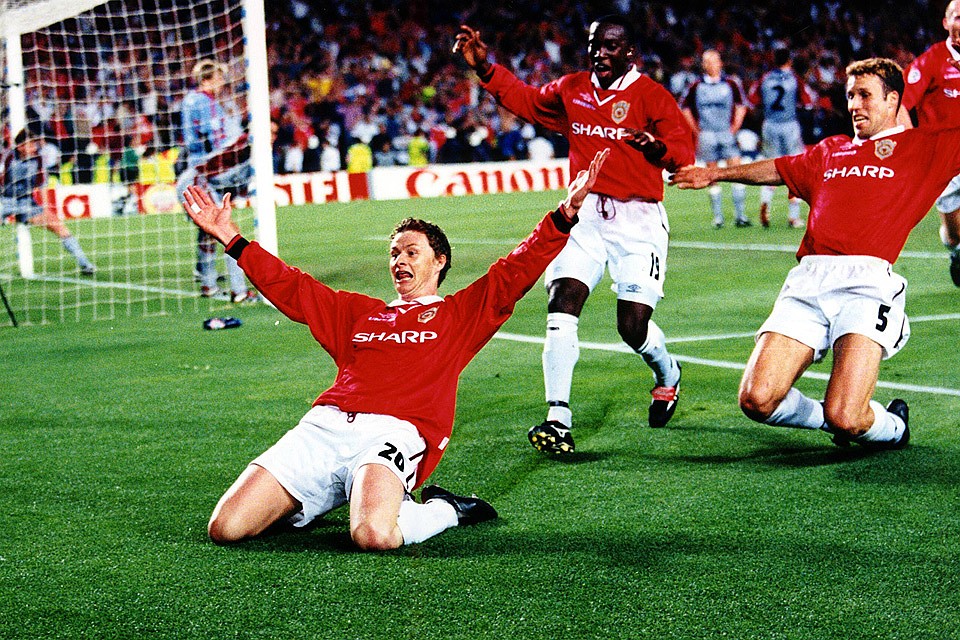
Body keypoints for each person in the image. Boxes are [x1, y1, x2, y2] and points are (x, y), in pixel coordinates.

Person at [184, 148, 609, 550]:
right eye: (394, 253)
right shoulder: (358, 312)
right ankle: (333, 493)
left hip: (392, 434)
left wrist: (564, 214)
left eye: (411, 252)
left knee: (373, 535)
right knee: (226, 528)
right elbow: (293, 287)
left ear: (439, 261)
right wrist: (232, 239)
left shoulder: (458, 315)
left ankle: (446, 510)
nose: (399, 261)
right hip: (324, 428)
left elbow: (515, 270)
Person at [669, 57, 960, 450]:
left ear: (892, 100)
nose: (854, 105)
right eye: (850, 95)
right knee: (757, 399)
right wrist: (714, 174)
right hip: (809, 280)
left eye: (864, 95)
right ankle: (831, 417)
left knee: (848, 417)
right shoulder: (830, 150)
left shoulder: (925, 148)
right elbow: (779, 168)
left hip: (867, 285)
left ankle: (892, 426)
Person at [454, 16, 694, 454]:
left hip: (637, 222)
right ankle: (558, 419)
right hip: (584, 217)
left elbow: (682, 150)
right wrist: (486, 68)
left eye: (611, 46)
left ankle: (667, 372)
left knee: (632, 327)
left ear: (630, 53)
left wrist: (657, 148)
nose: (600, 53)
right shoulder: (572, 88)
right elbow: (527, 101)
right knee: (561, 302)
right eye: (595, 44)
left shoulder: (651, 96)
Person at [176, 59, 257, 303]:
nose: (222, 83)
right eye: (219, 78)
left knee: (208, 231)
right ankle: (239, 290)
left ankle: (208, 283)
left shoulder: (189, 101)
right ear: (208, 79)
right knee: (227, 229)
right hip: (205, 171)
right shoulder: (205, 102)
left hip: (193, 171)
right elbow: (216, 138)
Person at [898, 0, 960, 286]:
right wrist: (912, 144)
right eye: (957, 17)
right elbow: (901, 104)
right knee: (955, 235)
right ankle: (956, 251)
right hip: (943, 160)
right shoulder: (930, 61)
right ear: (946, 23)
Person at [1, 130, 95, 275]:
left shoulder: (38, 159)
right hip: (4, 200)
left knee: (59, 227)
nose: (34, 147)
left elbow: (42, 186)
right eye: (30, 144)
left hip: (26, 203)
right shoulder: (8, 156)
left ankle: (85, 264)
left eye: (34, 144)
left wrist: (45, 206)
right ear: (20, 147)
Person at [680, 49, 751, 228]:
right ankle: (718, 218)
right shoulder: (695, 85)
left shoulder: (731, 83)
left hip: (726, 132)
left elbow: (741, 105)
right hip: (707, 134)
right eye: (707, 61)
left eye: (714, 61)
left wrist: (735, 127)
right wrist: (695, 129)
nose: (711, 65)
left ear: (720, 63)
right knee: (711, 175)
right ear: (703, 65)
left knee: (736, 172)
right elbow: (684, 107)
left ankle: (740, 216)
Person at [747, 46, 814, 229]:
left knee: (770, 166)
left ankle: (765, 203)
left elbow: (751, 101)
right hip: (789, 125)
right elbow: (808, 102)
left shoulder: (765, 78)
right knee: (796, 169)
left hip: (770, 125)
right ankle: (793, 217)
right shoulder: (795, 79)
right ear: (789, 61)